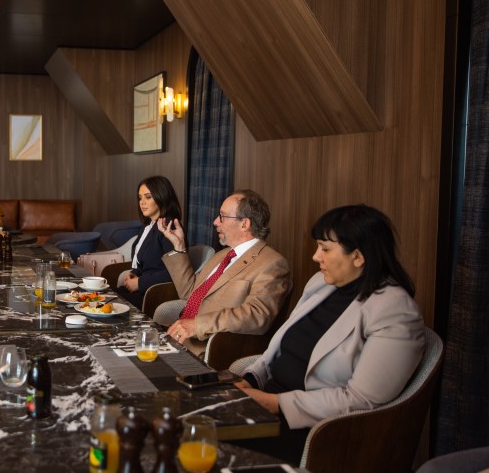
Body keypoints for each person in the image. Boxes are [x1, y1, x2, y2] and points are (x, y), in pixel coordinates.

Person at [233, 204, 425, 465]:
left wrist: (273, 403)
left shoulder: (395, 311)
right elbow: (278, 350)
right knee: (183, 418)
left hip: (317, 432)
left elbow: (360, 400)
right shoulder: (320, 285)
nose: (315, 257)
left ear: (358, 256)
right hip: (266, 404)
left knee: (196, 438)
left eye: (324, 248)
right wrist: (251, 380)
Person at [155, 190, 291, 355]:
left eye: (222, 216)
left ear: (244, 224)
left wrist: (198, 325)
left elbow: (258, 315)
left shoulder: (273, 263)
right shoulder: (222, 255)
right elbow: (189, 293)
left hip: (209, 350)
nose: (215, 222)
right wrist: (179, 247)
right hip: (178, 338)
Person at [115, 176, 181, 309]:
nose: (142, 203)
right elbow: (148, 263)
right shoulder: (148, 226)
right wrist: (135, 273)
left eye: (148, 197)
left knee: (105, 301)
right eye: (140, 198)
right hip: (142, 290)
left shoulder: (169, 226)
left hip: (155, 295)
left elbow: (176, 272)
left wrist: (140, 282)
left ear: (162, 197)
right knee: (101, 296)